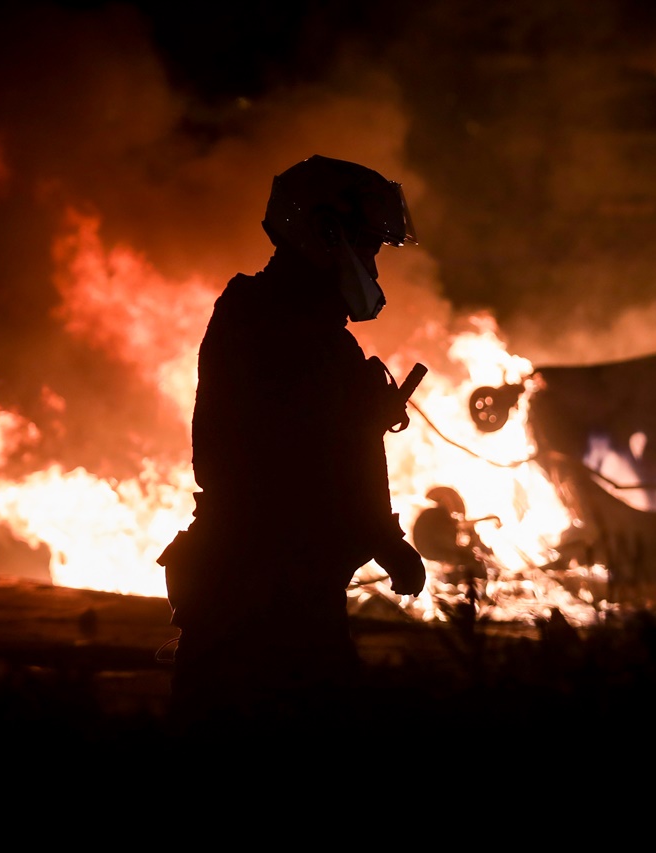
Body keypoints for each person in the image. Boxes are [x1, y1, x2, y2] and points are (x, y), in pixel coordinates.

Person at [158, 155, 427, 743]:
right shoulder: (294, 332)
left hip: (244, 577)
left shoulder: (262, 315)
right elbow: (316, 462)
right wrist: (388, 543)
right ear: (327, 235)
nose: (374, 264)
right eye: (369, 246)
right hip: (270, 589)